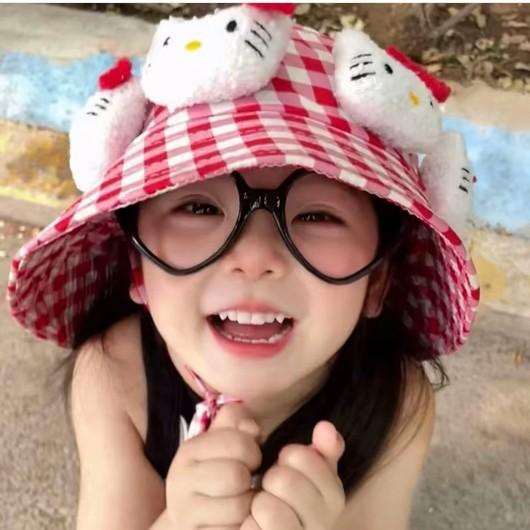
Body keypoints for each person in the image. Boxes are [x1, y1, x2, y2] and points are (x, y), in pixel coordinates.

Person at [6, 4, 480, 530]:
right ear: (136, 267)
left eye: (317, 216)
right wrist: (178, 523)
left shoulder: (397, 404)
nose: (255, 258)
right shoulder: (115, 376)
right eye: (199, 208)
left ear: (378, 282)